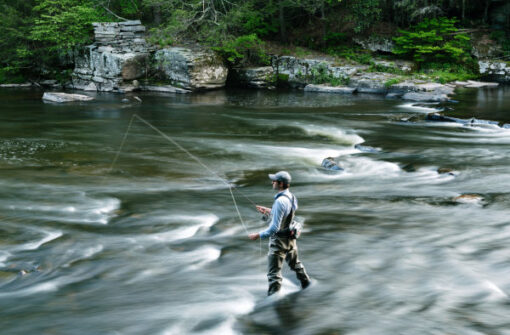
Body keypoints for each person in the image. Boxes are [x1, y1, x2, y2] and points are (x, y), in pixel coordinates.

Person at [248, 171, 311, 296]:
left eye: (274, 181)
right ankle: (307, 284)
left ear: (281, 184)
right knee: (295, 265)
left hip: (279, 242)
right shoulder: (292, 197)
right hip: (291, 238)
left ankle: (274, 301)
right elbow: (287, 215)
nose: (272, 183)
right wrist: (270, 211)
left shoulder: (280, 201)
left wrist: (258, 235)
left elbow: (274, 229)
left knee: (274, 274)